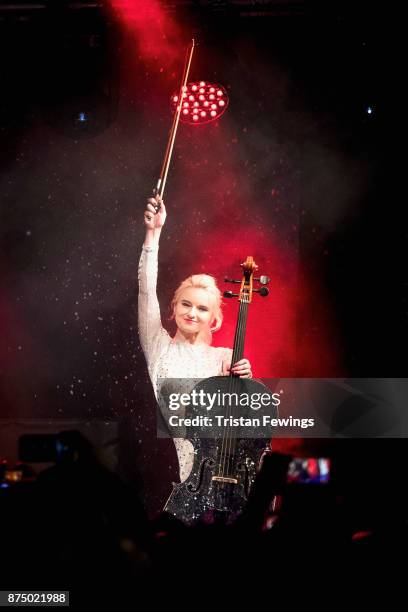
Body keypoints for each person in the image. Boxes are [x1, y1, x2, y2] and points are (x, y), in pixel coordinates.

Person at [138, 194, 253, 483]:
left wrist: (248, 383)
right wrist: (153, 233)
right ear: (173, 308)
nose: (192, 313)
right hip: (178, 476)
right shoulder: (158, 346)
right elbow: (146, 290)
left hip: (224, 470)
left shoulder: (225, 357)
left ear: (215, 318)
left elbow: (244, 422)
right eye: (186, 304)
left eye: (202, 308)